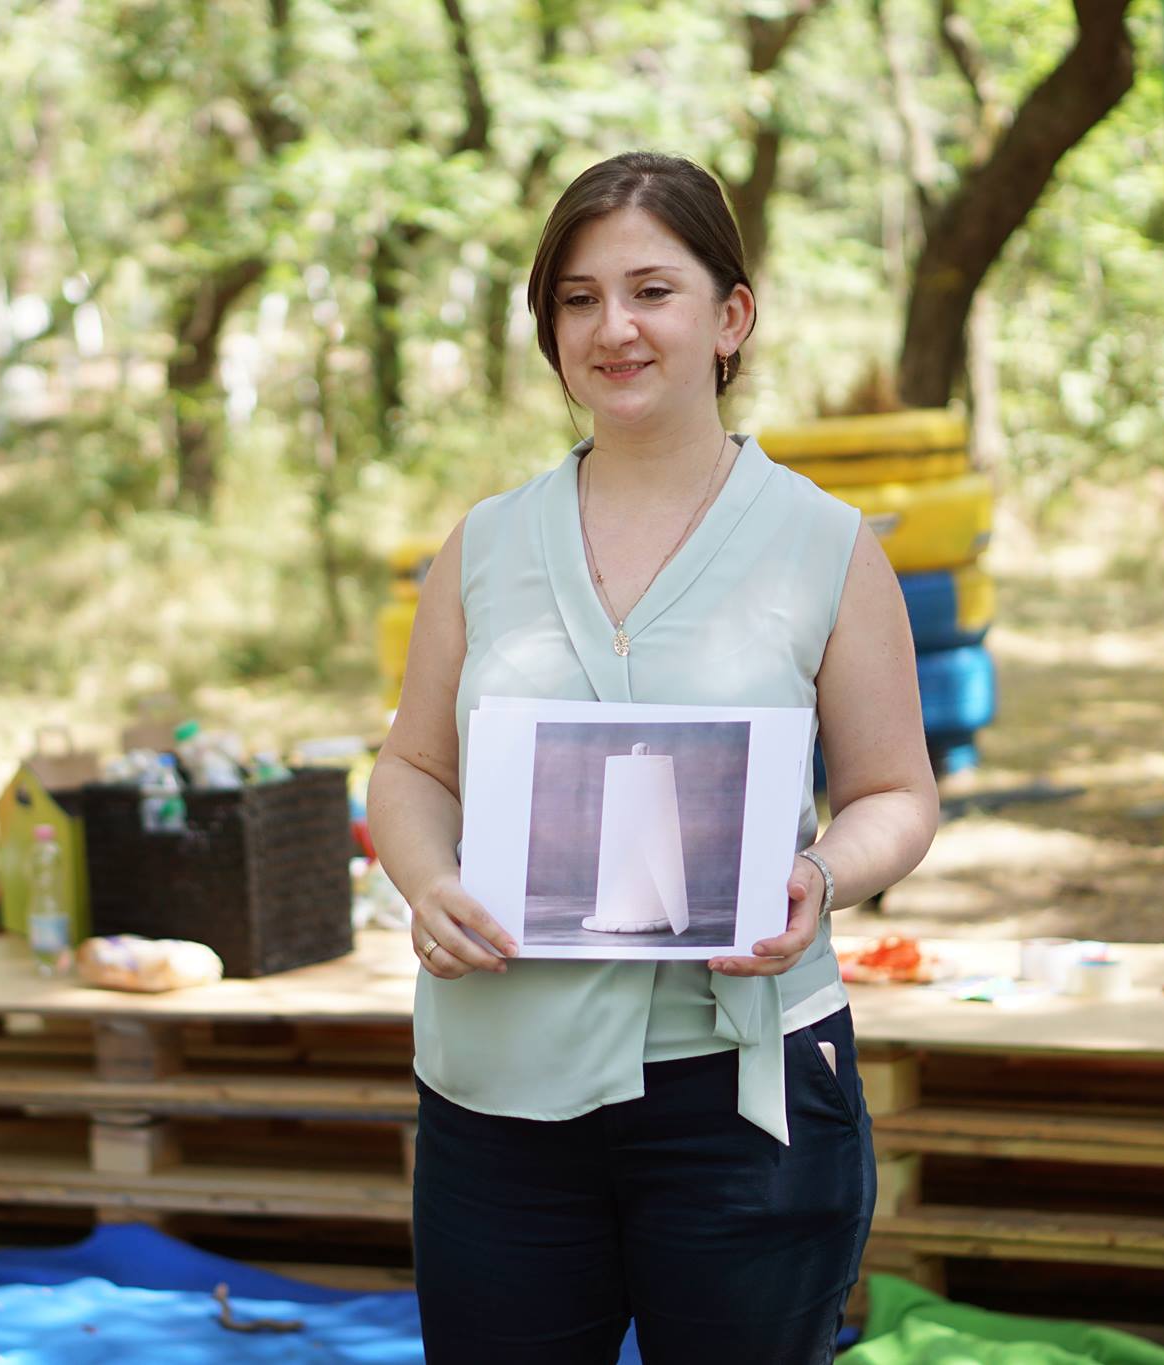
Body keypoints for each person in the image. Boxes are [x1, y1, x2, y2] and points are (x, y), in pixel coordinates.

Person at [365, 150, 941, 1363]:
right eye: (576, 299)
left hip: (741, 1092)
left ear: (729, 317)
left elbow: (892, 792)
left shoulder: (824, 546)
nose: (611, 328)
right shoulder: (482, 545)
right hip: (498, 1093)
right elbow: (411, 767)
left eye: (650, 291)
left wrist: (819, 877)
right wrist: (426, 883)